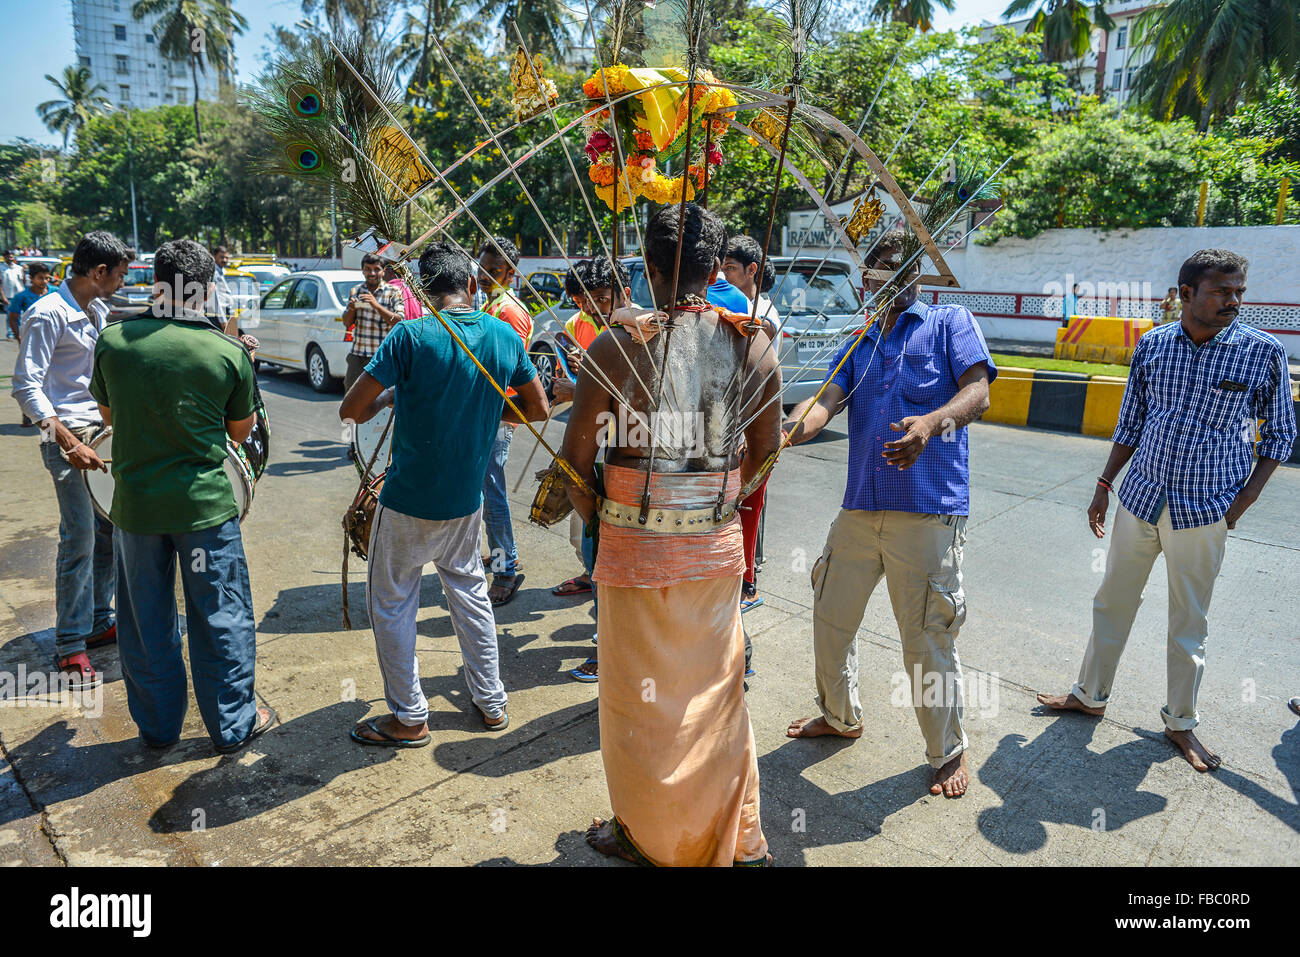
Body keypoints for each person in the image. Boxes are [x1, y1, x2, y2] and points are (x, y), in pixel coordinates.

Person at [563, 202, 782, 865]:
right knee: (715, 694)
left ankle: (646, 831)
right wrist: (710, 502)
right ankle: (728, 834)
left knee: (640, 703)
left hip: (633, 550)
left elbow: (575, 465)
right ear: (716, 268)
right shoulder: (753, 344)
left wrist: (600, 518)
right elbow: (765, 458)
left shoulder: (614, 345)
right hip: (715, 551)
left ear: (649, 269)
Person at [1037, 249, 1296, 772]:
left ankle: (1181, 723)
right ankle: (1089, 695)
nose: (1234, 301)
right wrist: (1104, 484)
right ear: (1186, 294)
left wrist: (1241, 503)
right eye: (1222, 291)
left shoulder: (1260, 351)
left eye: (1239, 291)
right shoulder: (1153, 345)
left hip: (1205, 511)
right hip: (1140, 499)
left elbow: (1282, 435)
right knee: (1111, 601)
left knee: (1188, 623)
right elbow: (1131, 421)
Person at [783, 228, 995, 800]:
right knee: (830, 616)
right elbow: (824, 403)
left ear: (919, 276)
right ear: (864, 279)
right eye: (880, 270)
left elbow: (979, 391)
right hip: (860, 508)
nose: (891, 279)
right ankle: (840, 716)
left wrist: (931, 424)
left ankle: (947, 750)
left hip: (927, 513)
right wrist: (788, 431)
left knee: (926, 640)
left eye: (903, 270)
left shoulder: (949, 323)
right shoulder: (860, 340)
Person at [340, 240, 548, 745]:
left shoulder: (411, 335)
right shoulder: (502, 334)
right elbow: (538, 409)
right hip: (464, 500)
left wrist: (391, 395)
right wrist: (481, 415)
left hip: (408, 497)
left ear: (423, 293)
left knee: (392, 604)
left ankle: (410, 718)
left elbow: (351, 408)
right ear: (472, 286)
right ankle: (492, 703)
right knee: (470, 593)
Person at [89, 239, 275, 751]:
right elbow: (240, 433)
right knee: (221, 616)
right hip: (204, 510)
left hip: (136, 508)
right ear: (207, 288)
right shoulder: (227, 351)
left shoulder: (114, 341)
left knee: (146, 622)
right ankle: (233, 726)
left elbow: (109, 418)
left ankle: (158, 728)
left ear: (155, 283)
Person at [11, 231, 130, 688]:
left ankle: (100, 621)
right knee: (78, 537)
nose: (121, 282)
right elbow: (26, 387)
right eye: (118, 274)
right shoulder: (46, 314)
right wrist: (65, 440)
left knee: (107, 533)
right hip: (67, 438)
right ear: (98, 272)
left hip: (99, 435)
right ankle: (69, 646)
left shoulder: (96, 310)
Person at [553, 256, 631, 683]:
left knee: (607, 552)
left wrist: (580, 387)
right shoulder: (579, 326)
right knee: (593, 545)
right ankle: (610, 635)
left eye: (603, 298)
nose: (595, 308)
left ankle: (610, 648)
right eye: (586, 301)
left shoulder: (639, 331)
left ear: (626, 294)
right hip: (596, 451)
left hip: (625, 460)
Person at [722, 235, 782, 611]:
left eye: (729, 269)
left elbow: (755, 376)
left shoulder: (761, 314)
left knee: (747, 504)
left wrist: (742, 430)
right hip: (736, 422)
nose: (722, 275)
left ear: (751, 271)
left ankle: (747, 584)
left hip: (752, 425)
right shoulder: (735, 306)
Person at [477, 237, 532, 606]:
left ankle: (506, 568)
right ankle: (497, 554)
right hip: (484, 413)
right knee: (483, 494)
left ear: (510, 274)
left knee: (492, 494)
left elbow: (510, 370)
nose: (484, 276)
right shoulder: (491, 303)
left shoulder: (508, 310)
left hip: (498, 414)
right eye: (481, 268)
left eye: (493, 271)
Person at [342, 253, 404, 390]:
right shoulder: (356, 291)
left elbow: (399, 321)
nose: (372, 273)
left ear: (383, 271)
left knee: (382, 401)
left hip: (381, 357)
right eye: (368, 269)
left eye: (376, 269)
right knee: (351, 398)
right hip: (357, 356)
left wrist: (376, 305)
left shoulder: (393, 292)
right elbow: (347, 323)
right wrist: (351, 309)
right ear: (362, 270)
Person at [7, 260, 52, 341]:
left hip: (53, 336)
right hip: (31, 337)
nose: (45, 281)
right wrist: (19, 337)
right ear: (31, 278)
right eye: (40, 278)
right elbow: (12, 319)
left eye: (47, 278)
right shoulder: (21, 296)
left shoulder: (56, 292)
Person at [1, 250, 25, 328]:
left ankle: (19, 333)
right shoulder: (1, 268)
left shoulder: (19, 268)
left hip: (19, 295)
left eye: (11, 255)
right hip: (8, 296)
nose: (10, 256)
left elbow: (23, 281)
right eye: (8, 255)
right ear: (4, 257)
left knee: (20, 316)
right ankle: (10, 334)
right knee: (10, 316)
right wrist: (3, 296)